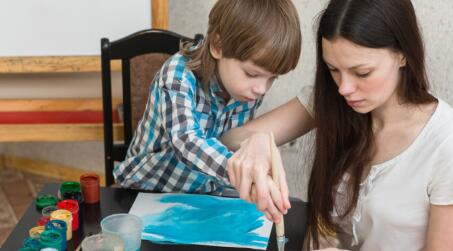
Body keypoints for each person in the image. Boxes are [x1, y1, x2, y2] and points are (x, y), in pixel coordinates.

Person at [221, 0, 453, 250]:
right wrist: (257, 141)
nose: (344, 88)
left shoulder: (444, 141)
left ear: (402, 54)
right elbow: (228, 139)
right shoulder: (331, 100)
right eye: (333, 69)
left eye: (362, 73)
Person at [113, 0, 301, 195]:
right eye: (252, 74)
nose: (262, 89)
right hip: (146, 189)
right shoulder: (177, 75)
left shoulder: (247, 89)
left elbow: (228, 144)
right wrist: (242, 173)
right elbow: (186, 142)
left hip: (204, 192)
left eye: (272, 78)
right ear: (218, 46)